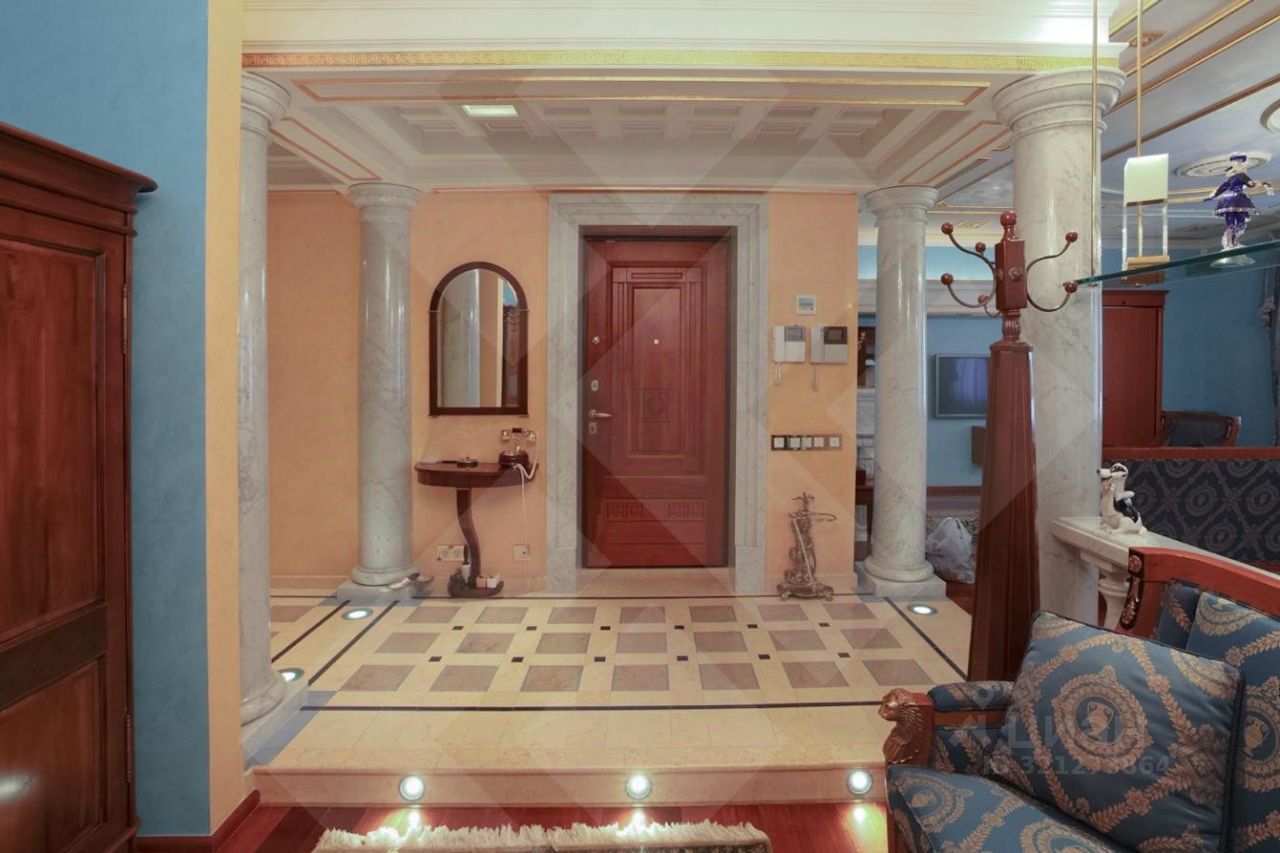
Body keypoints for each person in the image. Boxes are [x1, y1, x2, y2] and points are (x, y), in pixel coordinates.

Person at [1208, 153, 1274, 250]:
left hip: (1228, 201)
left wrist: (1212, 196)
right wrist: (1265, 185)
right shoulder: (1241, 176)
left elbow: (1221, 189)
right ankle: (1231, 243)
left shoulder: (1231, 178)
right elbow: (1251, 185)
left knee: (1234, 224)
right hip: (1237, 200)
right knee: (1239, 224)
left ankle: (1231, 243)